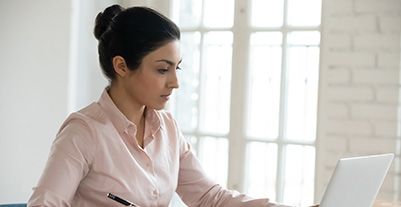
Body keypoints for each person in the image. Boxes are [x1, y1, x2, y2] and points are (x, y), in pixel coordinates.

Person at [28, 4, 317, 207]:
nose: (175, 82)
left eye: (178, 68)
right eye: (162, 69)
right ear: (122, 66)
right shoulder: (84, 132)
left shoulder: (167, 129)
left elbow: (209, 199)